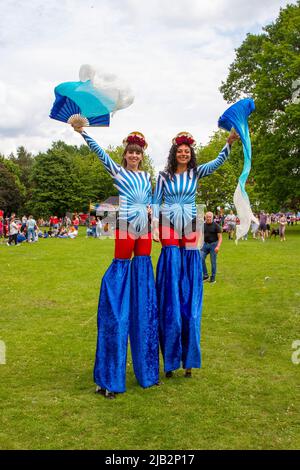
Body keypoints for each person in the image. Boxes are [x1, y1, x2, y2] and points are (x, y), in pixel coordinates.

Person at [73, 124, 159, 399]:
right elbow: (100, 155)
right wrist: (83, 133)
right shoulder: (118, 172)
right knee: (119, 288)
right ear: (125, 155)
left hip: (144, 233)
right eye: (130, 152)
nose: (134, 156)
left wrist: (153, 219)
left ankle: (148, 372)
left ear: (142, 156)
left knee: (145, 298)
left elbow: (151, 203)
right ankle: (110, 373)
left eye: (138, 153)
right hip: (124, 230)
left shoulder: (147, 177)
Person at [153, 129, 238, 379]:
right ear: (174, 153)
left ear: (191, 155)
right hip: (169, 225)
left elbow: (216, 163)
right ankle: (169, 358)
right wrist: (155, 228)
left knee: (189, 291)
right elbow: (157, 202)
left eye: (187, 151)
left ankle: (188, 358)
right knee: (170, 289)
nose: (183, 153)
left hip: (191, 226)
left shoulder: (196, 172)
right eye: (179, 151)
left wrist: (228, 143)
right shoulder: (163, 176)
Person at [200, 212, 222, 284]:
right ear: (205, 217)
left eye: (210, 217)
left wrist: (218, 246)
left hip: (214, 245)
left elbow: (220, 238)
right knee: (200, 258)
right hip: (205, 245)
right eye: (207, 217)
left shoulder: (216, 226)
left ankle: (213, 278)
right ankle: (205, 275)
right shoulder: (203, 225)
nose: (208, 218)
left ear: (212, 217)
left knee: (213, 262)